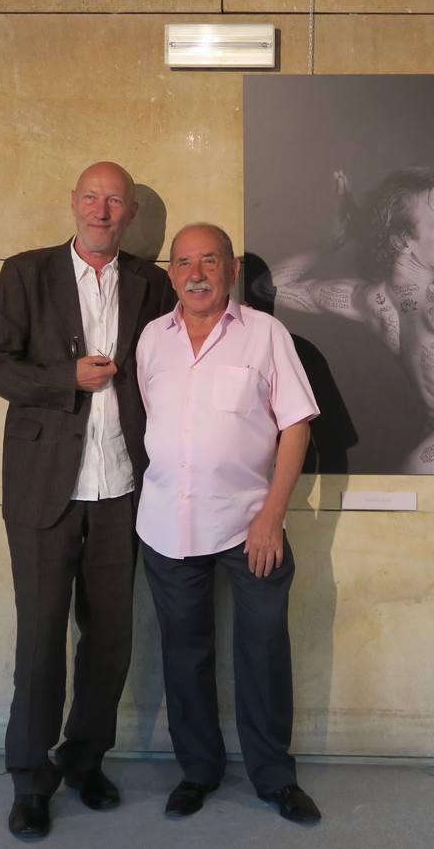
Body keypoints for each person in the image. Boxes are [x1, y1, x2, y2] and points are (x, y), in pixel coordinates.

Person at [0, 161, 175, 839]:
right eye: (92, 197)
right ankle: (30, 780)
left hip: (122, 487)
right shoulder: (26, 273)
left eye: (115, 200)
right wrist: (68, 377)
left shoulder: (153, 284)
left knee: (110, 643)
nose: (102, 209)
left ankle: (84, 759)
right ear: (73, 203)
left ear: (130, 216)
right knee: (39, 643)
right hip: (43, 486)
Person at [136, 223, 322, 824]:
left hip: (251, 528)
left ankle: (273, 777)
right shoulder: (150, 341)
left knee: (262, 651)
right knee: (184, 654)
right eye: (184, 262)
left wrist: (272, 516)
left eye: (209, 260)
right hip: (167, 524)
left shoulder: (266, 335)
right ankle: (198, 770)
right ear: (171, 274)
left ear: (231, 267)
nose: (196, 273)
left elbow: (296, 425)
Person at [257, 167, 434, 473]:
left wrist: (341, 237)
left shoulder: (370, 302)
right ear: (401, 242)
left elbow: (266, 286)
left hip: (433, 453)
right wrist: (363, 228)